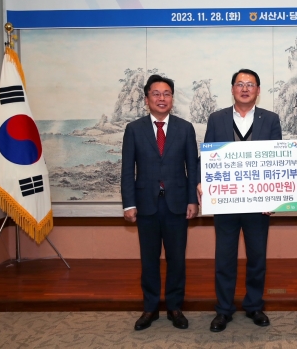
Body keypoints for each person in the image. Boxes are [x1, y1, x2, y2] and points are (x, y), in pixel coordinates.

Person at [197, 69, 282, 332]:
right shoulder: (217, 118)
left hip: (259, 204)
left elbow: (278, 161)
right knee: (224, 259)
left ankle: (254, 306)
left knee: (257, 258)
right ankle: (223, 310)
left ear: (258, 90)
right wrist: (201, 181)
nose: (245, 89)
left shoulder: (271, 119)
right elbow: (206, 156)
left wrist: (275, 198)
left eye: (250, 85)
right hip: (226, 202)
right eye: (240, 84)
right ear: (233, 89)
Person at [121, 75, 199, 331]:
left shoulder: (185, 128)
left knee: (177, 259)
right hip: (146, 205)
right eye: (156, 94)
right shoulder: (134, 129)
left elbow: (192, 168)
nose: (162, 98)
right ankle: (150, 308)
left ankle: (175, 307)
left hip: (177, 204)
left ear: (172, 99)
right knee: (149, 260)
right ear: (147, 99)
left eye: (167, 94)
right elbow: (127, 170)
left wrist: (193, 200)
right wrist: (128, 203)